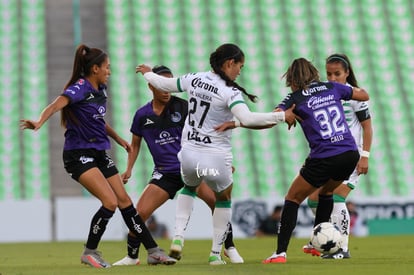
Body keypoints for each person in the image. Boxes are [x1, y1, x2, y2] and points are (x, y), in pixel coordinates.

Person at [136, 43, 297, 265]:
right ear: (229, 63)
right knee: (223, 199)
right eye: (240, 66)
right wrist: (281, 116)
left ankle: (178, 237)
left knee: (189, 188)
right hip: (216, 157)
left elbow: (162, 83)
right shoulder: (229, 92)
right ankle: (215, 254)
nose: (240, 71)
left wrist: (147, 73)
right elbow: (249, 119)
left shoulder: (194, 78)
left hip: (189, 155)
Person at [20, 44, 176, 268]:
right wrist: (39, 121)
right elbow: (57, 104)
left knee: (125, 202)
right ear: (95, 69)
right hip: (78, 155)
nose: (109, 72)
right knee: (110, 202)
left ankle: (153, 251)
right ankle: (89, 252)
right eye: (107, 67)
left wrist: (119, 139)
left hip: (99, 153)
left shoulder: (100, 91)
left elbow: (97, 121)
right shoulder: (80, 87)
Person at [112, 65, 243, 265]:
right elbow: (135, 145)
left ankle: (229, 247)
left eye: (169, 85)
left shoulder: (184, 106)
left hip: (193, 167)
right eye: (162, 86)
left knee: (217, 203)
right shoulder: (141, 115)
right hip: (166, 173)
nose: (167, 91)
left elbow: (207, 131)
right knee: (139, 214)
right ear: (151, 86)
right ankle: (132, 256)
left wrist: (221, 160)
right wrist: (129, 168)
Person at [262, 57, 369, 264]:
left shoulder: (294, 97)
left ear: (292, 78)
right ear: (313, 73)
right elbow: (364, 95)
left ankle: (280, 253)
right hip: (349, 154)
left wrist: (288, 113)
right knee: (326, 192)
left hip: (324, 155)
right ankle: (315, 241)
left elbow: (274, 117)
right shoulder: (332, 87)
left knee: (292, 198)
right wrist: (341, 92)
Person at [303, 53, 372, 259]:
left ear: (347, 73)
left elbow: (367, 128)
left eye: (337, 74)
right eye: (329, 74)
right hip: (331, 153)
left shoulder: (354, 96)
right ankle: (325, 239)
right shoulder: (326, 92)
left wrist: (365, 156)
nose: (333, 78)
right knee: (314, 199)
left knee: (337, 196)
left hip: (352, 153)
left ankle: (342, 247)